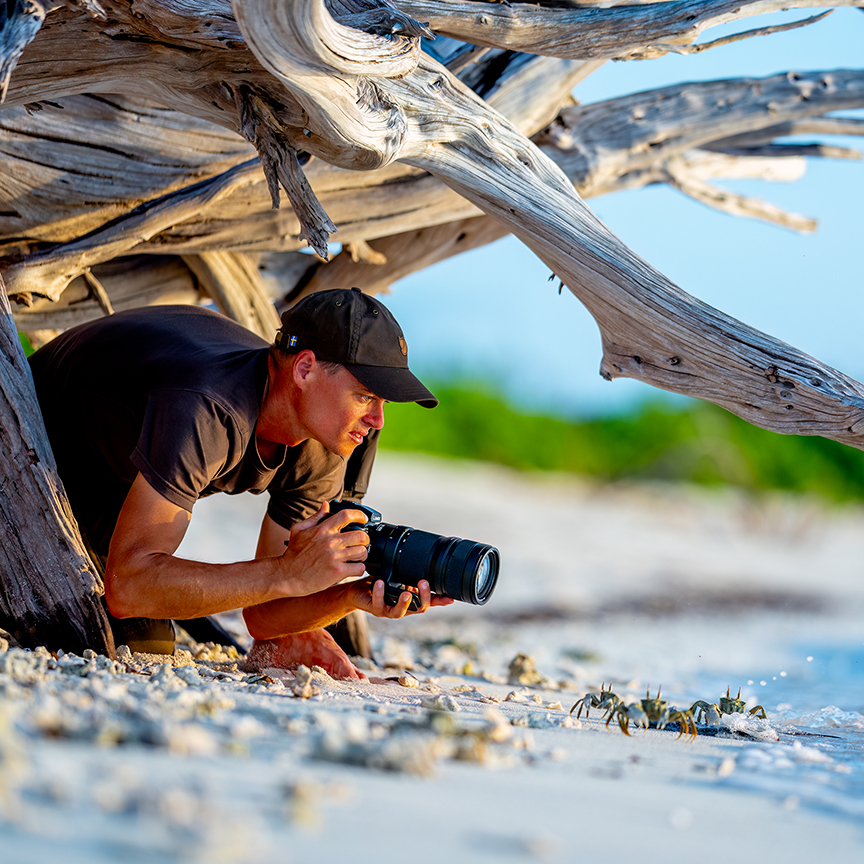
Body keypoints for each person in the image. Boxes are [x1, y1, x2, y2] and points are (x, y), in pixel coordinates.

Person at [28, 287, 450, 678]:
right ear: (304, 369)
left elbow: (264, 616)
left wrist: (349, 596)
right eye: (365, 396)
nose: (378, 421)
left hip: (118, 475)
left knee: (148, 639)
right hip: (31, 457)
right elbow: (130, 586)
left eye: (384, 403)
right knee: (134, 643)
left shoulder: (322, 442)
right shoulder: (210, 406)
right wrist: (286, 572)